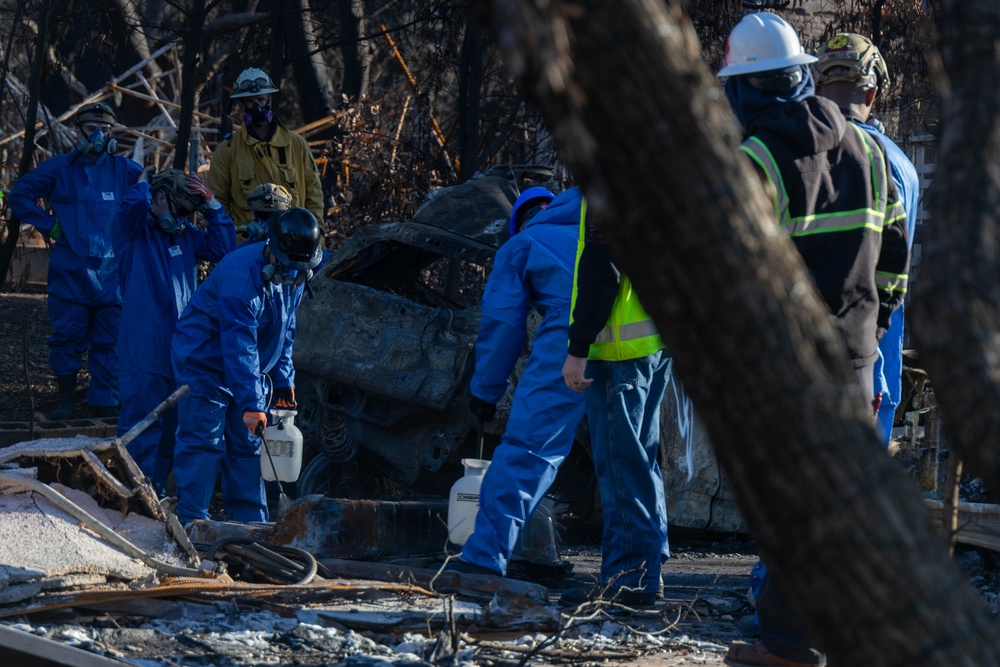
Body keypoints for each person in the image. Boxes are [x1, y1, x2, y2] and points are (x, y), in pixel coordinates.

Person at [717, 13, 910, 667]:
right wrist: (873, 333)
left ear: (745, 89)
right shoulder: (876, 155)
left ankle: (791, 643)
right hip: (856, 360)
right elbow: (897, 259)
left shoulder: (760, 159)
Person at [445, 186, 588, 577]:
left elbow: (503, 324)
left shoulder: (523, 243)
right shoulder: (597, 222)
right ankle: (638, 576)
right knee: (631, 457)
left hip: (570, 333)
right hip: (636, 338)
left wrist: (485, 391)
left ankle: (483, 558)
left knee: (529, 449)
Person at [170, 207, 322, 524]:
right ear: (273, 252)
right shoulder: (242, 277)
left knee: (249, 446)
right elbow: (240, 344)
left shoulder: (293, 276)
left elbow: (284, 331)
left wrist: (283, 381)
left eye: (299, 270)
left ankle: (251, 524)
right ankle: (193, 524)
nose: (292, 275)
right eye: (288, 268)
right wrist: (252, 403)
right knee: (204, 443)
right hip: (205, 362)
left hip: (248, 370)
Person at [560, 189, 671, 608]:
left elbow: (599, 269)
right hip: (652, 345)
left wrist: (578, 348)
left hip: (618, 350)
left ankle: (629, 578)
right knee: (643, 461)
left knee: (622, 466)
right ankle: (647, 565)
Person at [814, 33, 920, 445]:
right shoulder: (900, 164)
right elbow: (896, 262)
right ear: (873, 93)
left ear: (818, 87)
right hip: (874, 353)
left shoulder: (798, 152)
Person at [9, 103, 143, 420]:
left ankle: (103, 401)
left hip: (113, 279)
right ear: (77, 131)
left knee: (109, 342)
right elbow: (19, 195)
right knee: (67, 338)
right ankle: (66, 400)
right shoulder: (59, 168)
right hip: (71, 274)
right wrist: (49, 224)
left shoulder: (127, 171)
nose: (99, 135)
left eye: (106, 128)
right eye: (92, 127)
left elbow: (149, 205)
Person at [114, 169, 236, 495]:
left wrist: (213, 207)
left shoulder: (185, 236)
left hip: (181, 344)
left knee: (173, 423)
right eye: (178, 210)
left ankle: (157, 492)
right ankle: (135, 494)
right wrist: (143, 188)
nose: (182, 218)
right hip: (143, 342)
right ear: (160, 198)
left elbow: (224, 250)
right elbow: (128, 210)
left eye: (188, 213)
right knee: (141, 421)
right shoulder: (133, 234)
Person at [206, 68, 324, 228]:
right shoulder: (227, 151)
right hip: (249, 243)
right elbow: (217, 205)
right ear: (240, 105)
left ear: (269, 100)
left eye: (261, 99)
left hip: (294, 241)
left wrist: (316, 239)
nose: (257, 106)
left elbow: (314, 199)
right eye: (249, 101)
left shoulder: (296, 145)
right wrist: (233, 243)